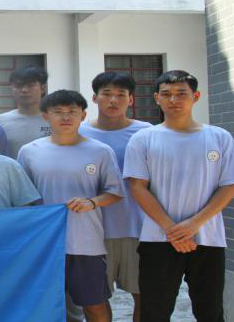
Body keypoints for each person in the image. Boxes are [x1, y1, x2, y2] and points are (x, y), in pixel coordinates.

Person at [124, 70, 234, 322]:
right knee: (154, 312)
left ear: (195, 97)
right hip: (158, 238)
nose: (173, 100)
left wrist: (193, 224)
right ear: (156, 98)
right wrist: (171, 229)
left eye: (181, 94)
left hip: (208, 238)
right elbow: (137, 187)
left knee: (210, 311)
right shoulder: (143, 138)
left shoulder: (219, 137)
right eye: (166, 94)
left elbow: (230, 186)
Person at [18, 90, 124, 322]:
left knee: (94, 305)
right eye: (58, 112)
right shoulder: (29, 152)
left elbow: (115, 192)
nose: (65, 117)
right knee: (42, 305)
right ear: (46, 116)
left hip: (86, 243)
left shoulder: (100, 151)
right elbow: (22, 198)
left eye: (72, 112)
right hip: (44, 244)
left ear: (83, 115)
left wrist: (91, 202)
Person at [78, 72, 152, 322]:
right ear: (94, 98)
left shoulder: (147, 132)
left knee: (146, 298)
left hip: (140, 229)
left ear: (131, 99)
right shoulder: (79, 133)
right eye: (107, 94)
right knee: (94, 302)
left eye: (121, 95)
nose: (113, 100)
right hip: (93, 232)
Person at [0, 67, 52, 159]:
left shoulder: (55, 120)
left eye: (30, 85)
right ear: (12, 89)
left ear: (43, 88)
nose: (24, 90)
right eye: (18, 86)